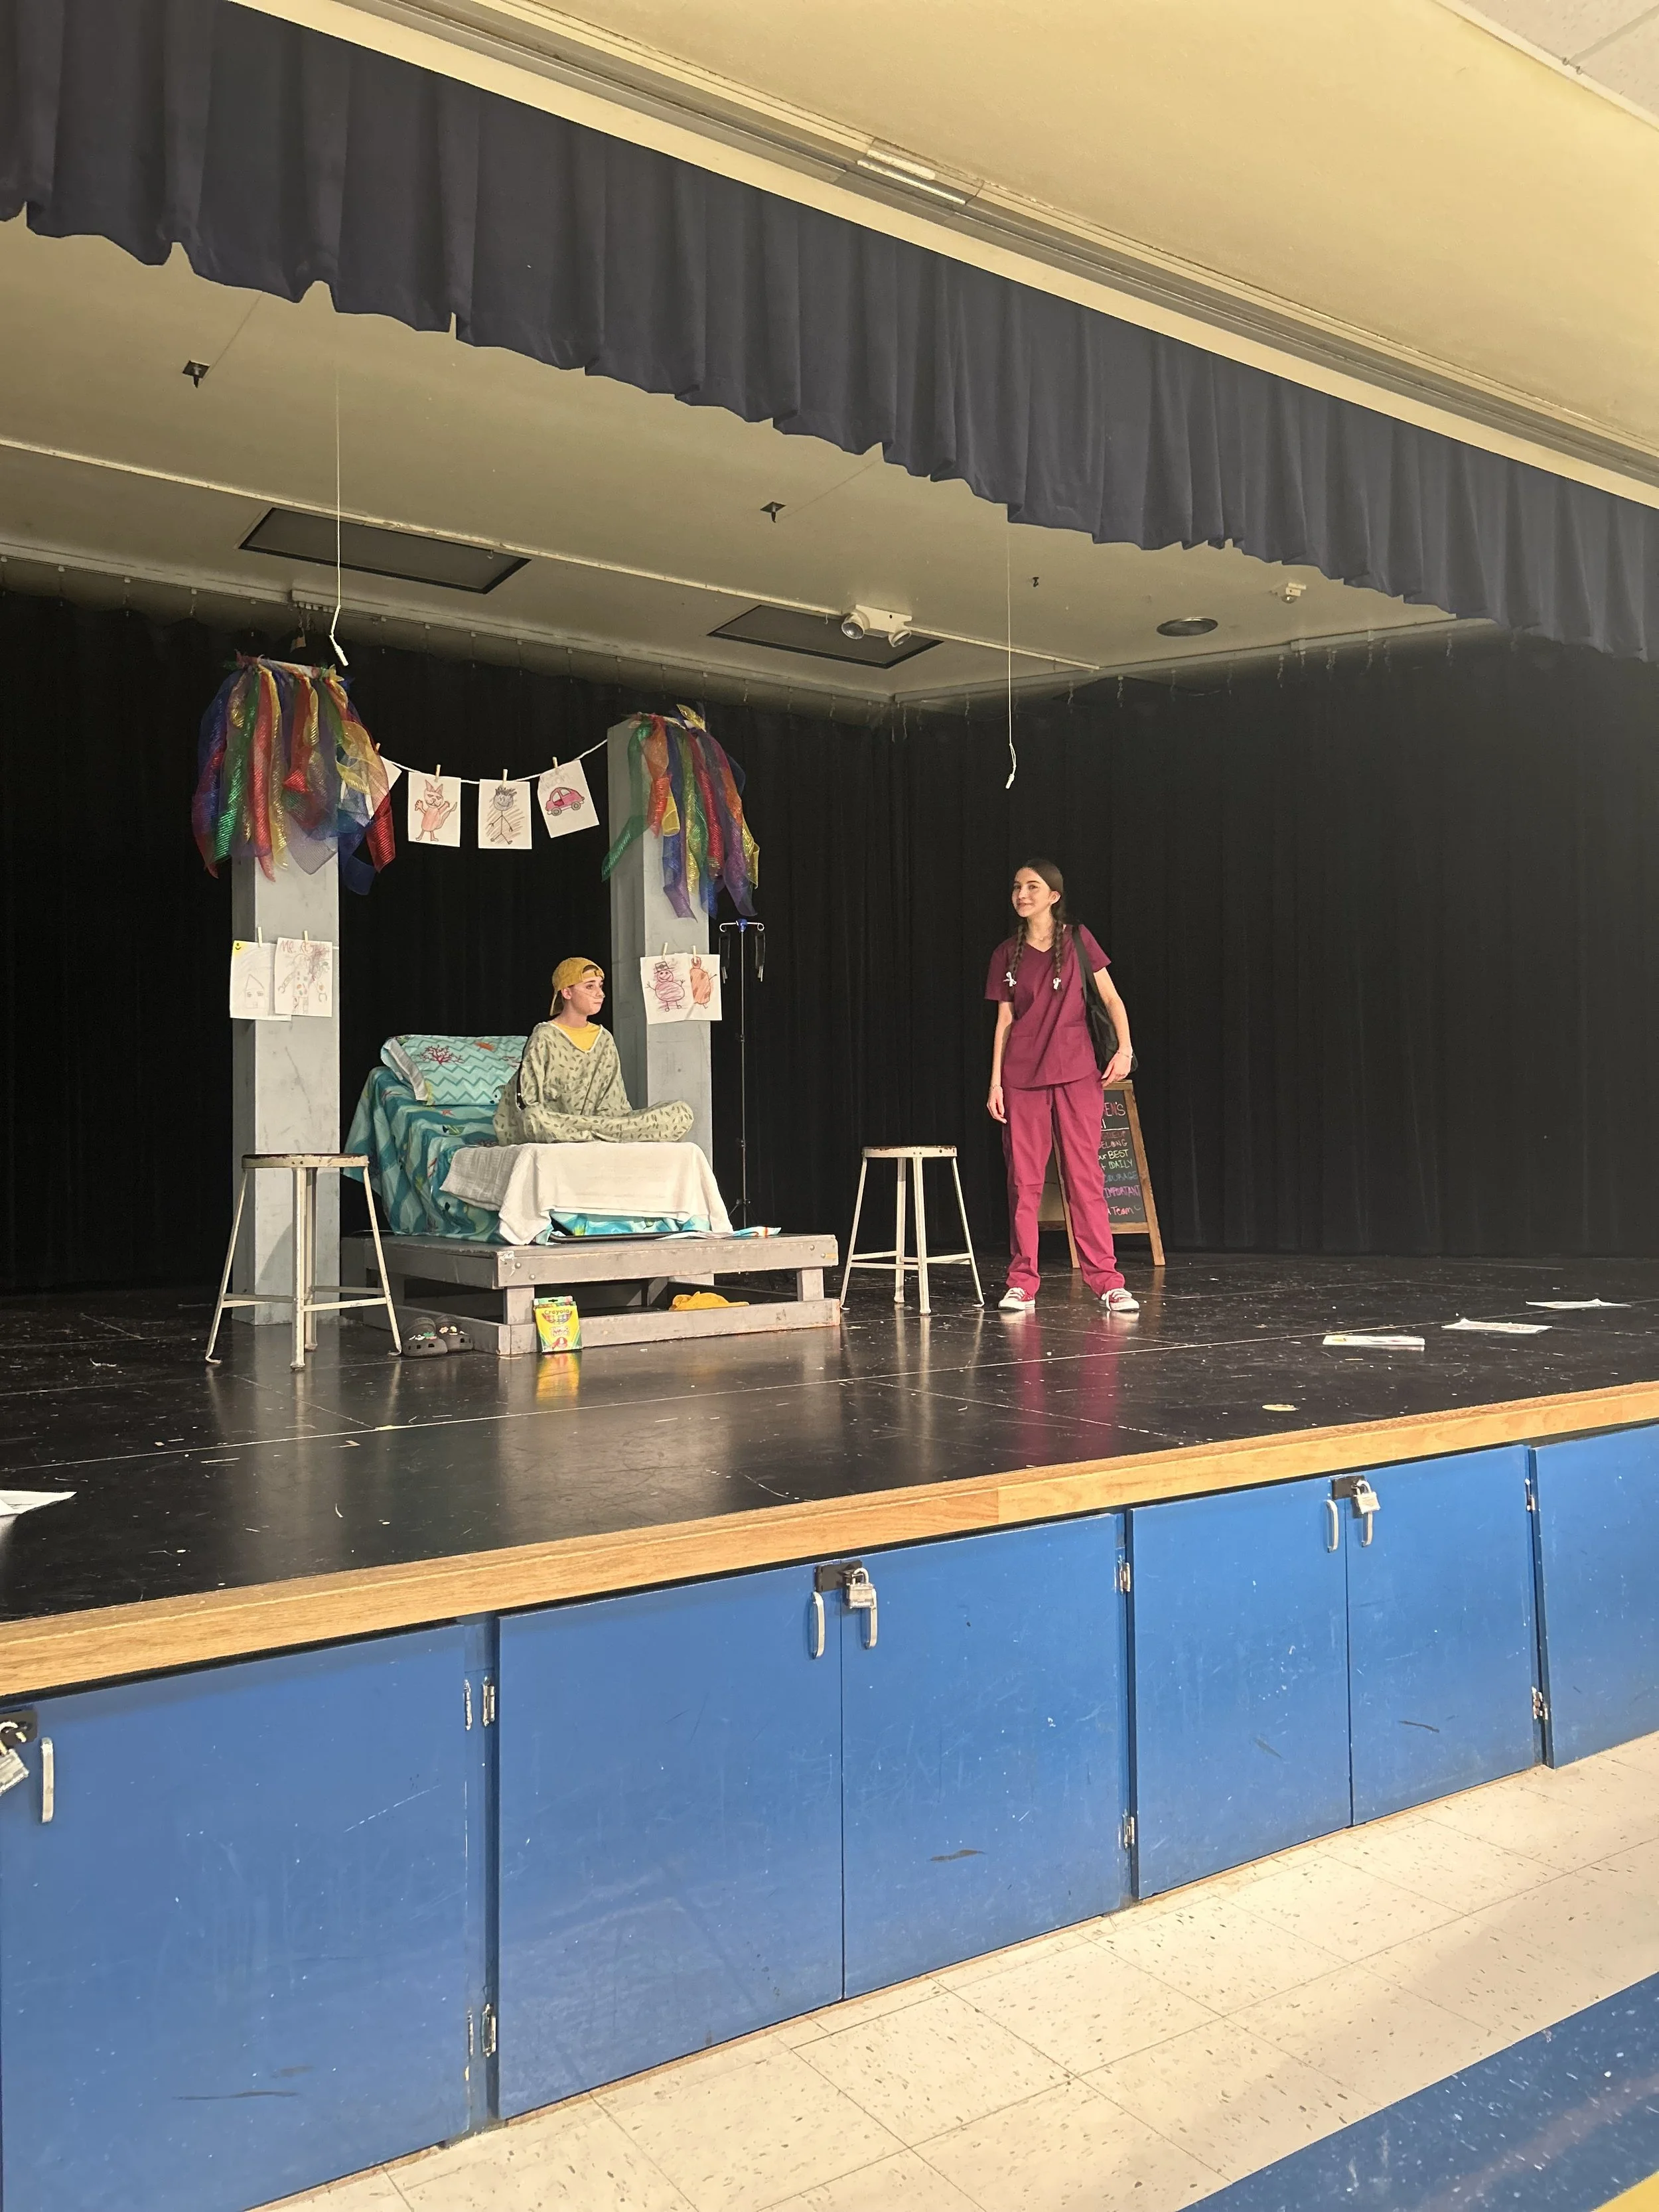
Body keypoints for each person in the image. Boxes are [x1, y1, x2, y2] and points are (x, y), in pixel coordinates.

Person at [985, 861, 1139, 1314]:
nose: (1022, 893)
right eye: (1016, 886)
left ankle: (1108, 1281)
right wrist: (995, 1081)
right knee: (1024, 1183)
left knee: (1084, 1178)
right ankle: (1022, 1282)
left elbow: (1110, 997)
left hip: (1076, 1073)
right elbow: (1004, 1022)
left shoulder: (1077, 939)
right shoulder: (1004, 954)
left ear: (1054, 895)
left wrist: (1125, 1048)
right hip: (1022, 1079)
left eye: (1032, 886)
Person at [493, 958, 695, 1144]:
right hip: (554, 1122)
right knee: (534, 1119)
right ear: (567, 992)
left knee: (681, 1113)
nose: (600, 994)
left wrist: (608, 1124)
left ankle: (593, 1134)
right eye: (590, 987)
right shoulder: (545, 1035)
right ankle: (606, 1135)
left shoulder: (604, 1038)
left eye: (600, 986)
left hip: (604, 1122)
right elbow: (530, 1103)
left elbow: (615, 1105)